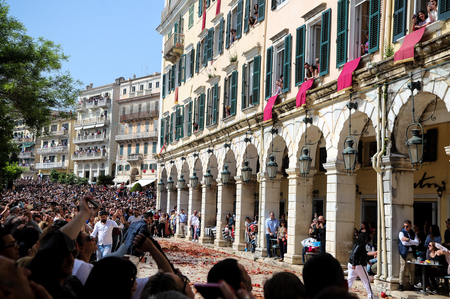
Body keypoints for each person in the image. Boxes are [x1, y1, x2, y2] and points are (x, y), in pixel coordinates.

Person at [347, 232, 374, 299]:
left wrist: (367, 261)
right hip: (358, 265)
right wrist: (354, 264)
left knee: (349, 280)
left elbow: (361, 254)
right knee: (366, 280)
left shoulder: (356, 244)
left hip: (351, 264)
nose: (367, 242)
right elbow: (355, 254)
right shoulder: (361, 245)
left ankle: (343, 294)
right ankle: (371, 296)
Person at [398, 220, 419, 291]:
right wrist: (412, 242)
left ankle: (412, 284)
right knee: (403, 268)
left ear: (410, 226)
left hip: (412, 253)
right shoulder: (401, 233)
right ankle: (401, 284)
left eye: (407, 226)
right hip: (404, 253)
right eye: (404, 226)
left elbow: (417, 243)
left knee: (412, 269)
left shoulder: (413, 234)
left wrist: (408, 239)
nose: (405, 228)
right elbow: (404, 243)